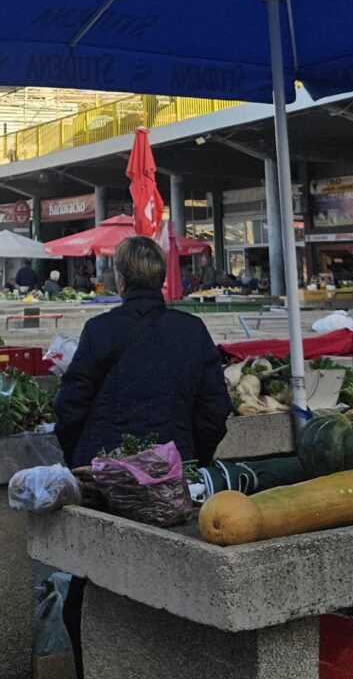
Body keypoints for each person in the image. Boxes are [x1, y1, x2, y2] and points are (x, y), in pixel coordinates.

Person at [53, 237, 231, 673]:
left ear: (121, 277)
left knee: (92, 586)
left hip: (107, 482)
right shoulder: (192, 332)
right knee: (172, 585)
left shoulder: (100, 330)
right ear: (163, 278)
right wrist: (187, 460)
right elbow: (215, 410)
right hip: (173, 480)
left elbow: (69, 406)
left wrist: (86, 462)